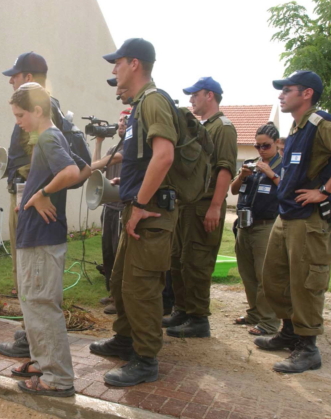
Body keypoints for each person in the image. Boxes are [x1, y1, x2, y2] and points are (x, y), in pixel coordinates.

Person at [256, 70, 331, 373]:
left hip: (309, 219)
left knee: (305, 284)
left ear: (306, 94)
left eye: (287, 90)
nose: (280, 95)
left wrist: (324, 191)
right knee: (274, 279)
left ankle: (307, 347)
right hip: (287, 214)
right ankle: (289, 332)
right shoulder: (297, 127)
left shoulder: (321, 124)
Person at [89, 38, 180, 387]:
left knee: (141, 287)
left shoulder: (154, 101)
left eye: (118, 62)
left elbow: (164, 156)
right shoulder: (141, 105)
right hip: (137, 208)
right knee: (121, 281)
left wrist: (140, 204)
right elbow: (143, 160)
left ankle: (145, 359)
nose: (114, 69)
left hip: (150, 213)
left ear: (135, 64)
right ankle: (125, 340)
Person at [4, 82, 90, 397]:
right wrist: (29, 195)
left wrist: (40, 193)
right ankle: (43, 365)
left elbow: (70, 172)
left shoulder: (50, 136)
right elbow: (79, 169)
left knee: (41, 306)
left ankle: (57, 379)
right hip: (37, 235)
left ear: (37, 111)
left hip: (42, 238)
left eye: (20, 115)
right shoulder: (48, 138)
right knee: (35, 305)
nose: (18, 122)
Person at [0, 52, 65, 359]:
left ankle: (34, 344)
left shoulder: (47, 113)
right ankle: (32, 339)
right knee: (26, 277)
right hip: (25, 194)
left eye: (16, 75)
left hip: (30, 200)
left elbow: (56, 159)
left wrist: (41, 192)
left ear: (30, 79)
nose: (11, 80)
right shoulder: (38, 112)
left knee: (32, 280)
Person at [163, 77, 237, 338]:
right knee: (178, 261)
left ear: (209, 95)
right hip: (186, 206)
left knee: (197, 262)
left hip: (204, 205)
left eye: (195, 95)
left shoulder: (223, 128)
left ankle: (198, 318)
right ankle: (182, 311)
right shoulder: (199, 128)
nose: (191, 100)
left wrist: (216, 207)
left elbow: (225, 169)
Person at [230, 122, 282, 336]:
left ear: (277, 143)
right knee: (247, 273)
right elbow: (233, 190)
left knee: (265, 276)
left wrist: (270, 173)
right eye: (257, 146)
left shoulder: (282, 166)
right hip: (244, 225)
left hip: (266, 225)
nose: (261, 150)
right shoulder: (251, 164)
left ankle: (269, 322)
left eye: (266, 146)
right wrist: (242, 176)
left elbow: (288, 190)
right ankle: (254, 313)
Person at [90, 107, 131, 315]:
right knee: (108, 252)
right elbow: (97, 168)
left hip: (123, 207)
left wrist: (87, 168)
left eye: (126, 120)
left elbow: (101, 164)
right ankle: (111, 291)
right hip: (109, 207)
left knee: (118, 253)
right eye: (120, 120)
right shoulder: (113, 148)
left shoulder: (130, 148)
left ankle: (119, 297)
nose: (122, 123)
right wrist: (98, 142)